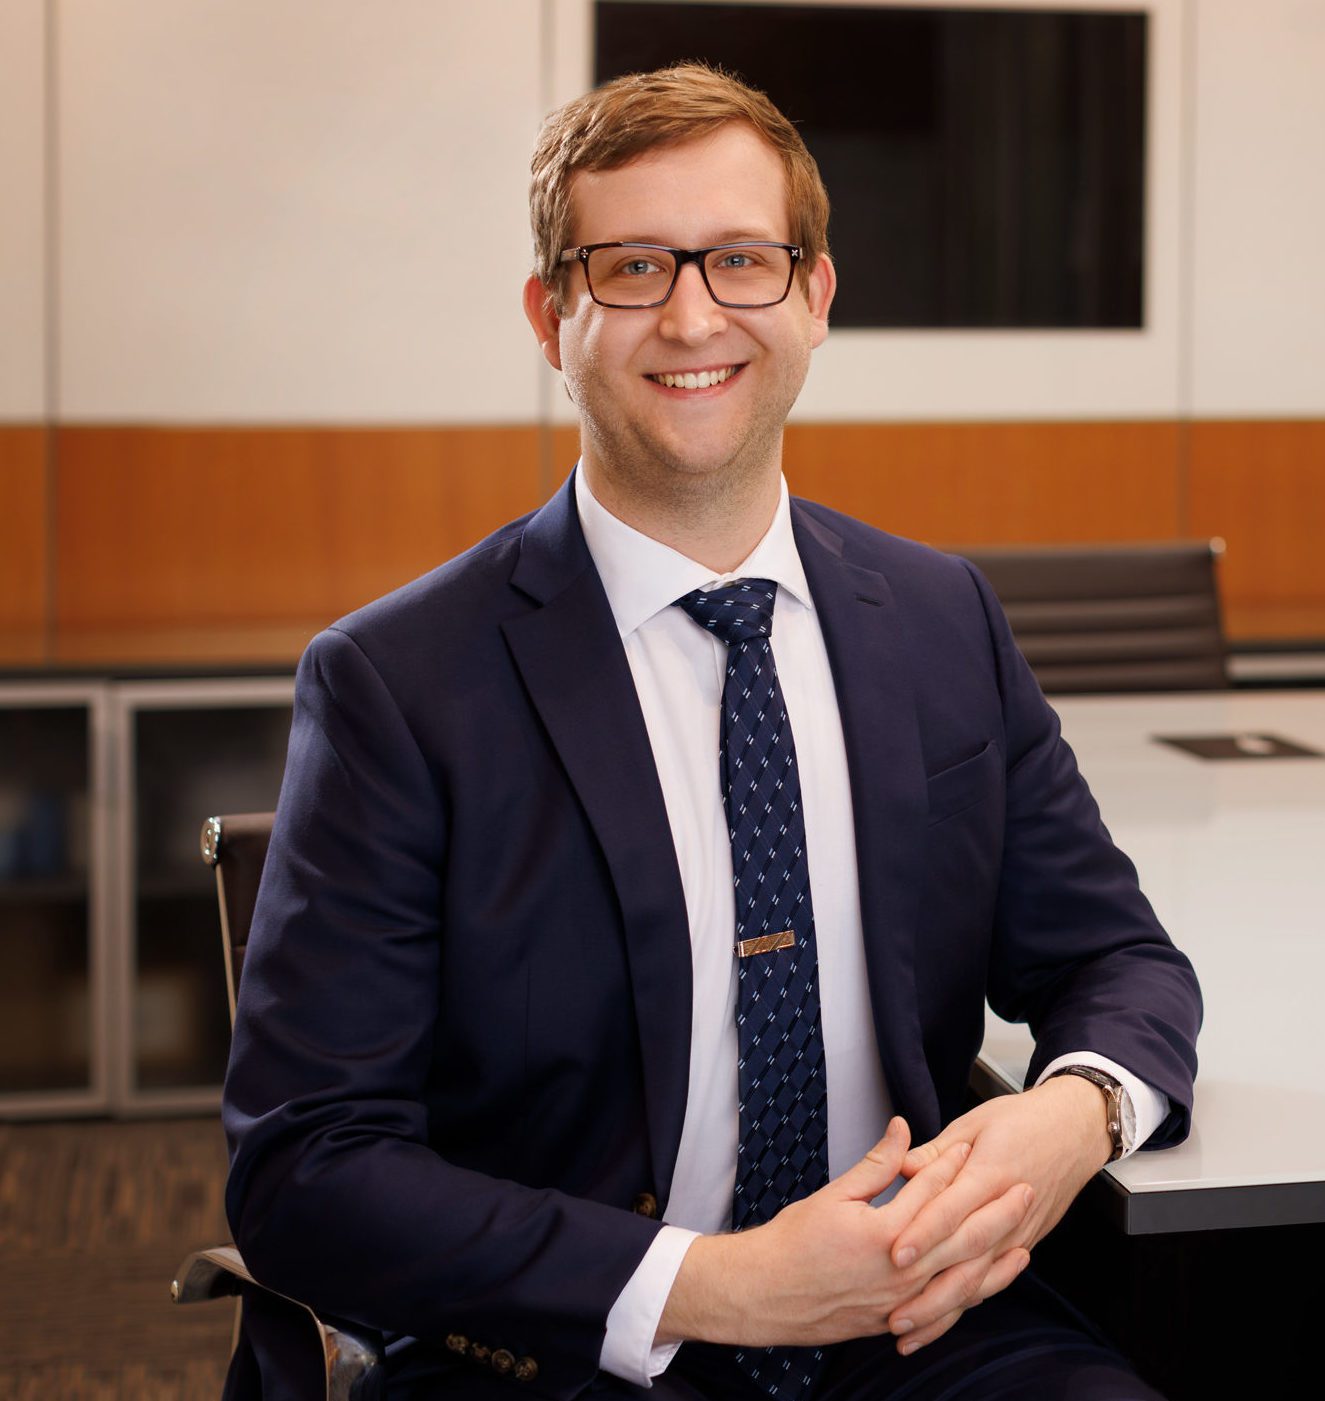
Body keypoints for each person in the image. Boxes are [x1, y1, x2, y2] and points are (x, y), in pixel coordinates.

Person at [223, 63, 1201, 1401]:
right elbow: (307, 1169)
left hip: (913, 1328)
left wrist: (1069, 1115)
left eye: (740, 259)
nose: (691, 315)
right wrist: (717, 1285)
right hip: (564, 1354)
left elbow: (1116, 954)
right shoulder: (398, 683)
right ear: (551, 317)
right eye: (630, 266)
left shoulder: (936, 619)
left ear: (813, 298)